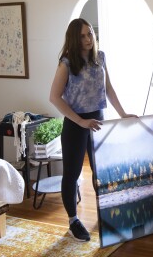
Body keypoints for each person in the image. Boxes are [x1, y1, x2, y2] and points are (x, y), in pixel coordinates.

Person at [49, 18, 135, 242]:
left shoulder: (101, 58)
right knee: (72, 174)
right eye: (82, 36)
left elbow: (108, 89)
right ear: (74, 40)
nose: (88, 39)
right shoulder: (66, 63)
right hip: (76, 124)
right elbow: (54, 98)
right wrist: (80, 121)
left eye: (90, 34)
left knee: (101, 172)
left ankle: (106, 215)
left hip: (98, 121)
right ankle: (73, 222)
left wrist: (123, 113)